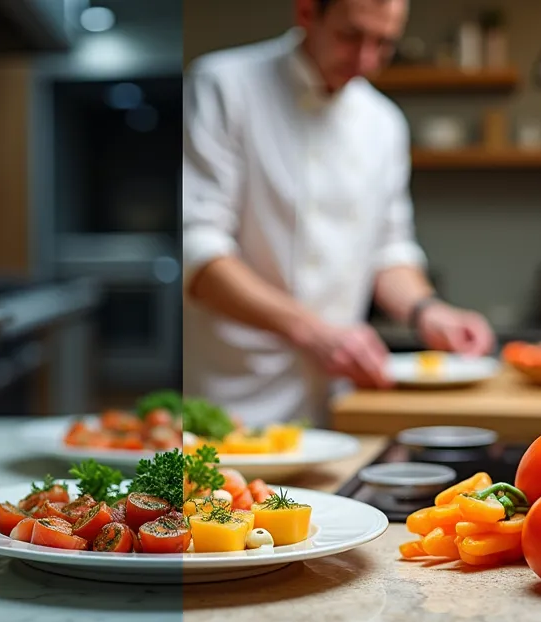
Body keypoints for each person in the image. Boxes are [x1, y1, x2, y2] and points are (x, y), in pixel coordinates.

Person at [182, 0, 495, 427]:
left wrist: (429, 312)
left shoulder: (383, 123)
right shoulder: (223, 85)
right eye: (351, 36)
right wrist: (313, 331)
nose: (366, 60)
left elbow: (389, 250)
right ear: (307, 13)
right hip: (233, 394)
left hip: (339, 398)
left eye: (384, 43)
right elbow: (198, 249)